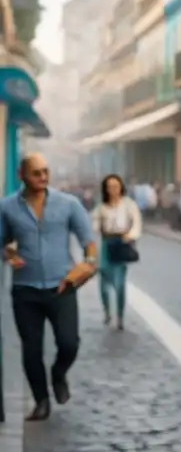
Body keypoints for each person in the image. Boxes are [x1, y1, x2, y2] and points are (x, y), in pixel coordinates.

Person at [0, 154, 97, 421]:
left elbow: (88, 243)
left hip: (62, 286)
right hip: (25, 290)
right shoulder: (7, 207)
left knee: (69, 343)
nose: (43, 177)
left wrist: (86, 266)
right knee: (31, 349)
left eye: (45, 171)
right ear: (22, 176)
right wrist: (8, 254)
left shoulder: (69, 204)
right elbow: (2, 243)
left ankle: (58, 373)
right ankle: (41, 401)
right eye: (36, 173)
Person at [92, 173, 143, 330]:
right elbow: (94, 224)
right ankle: (107, 311)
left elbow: (136, 223)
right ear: (105, 189)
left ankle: (120, 317)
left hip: (122, 243)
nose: (113, 189)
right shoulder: (101, 207)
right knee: (103, 282)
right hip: (106, 243)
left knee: (120, 283)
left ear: (121, 187)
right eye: (109, 187)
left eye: (115, 186)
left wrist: (131, 235)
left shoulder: (129, 204)